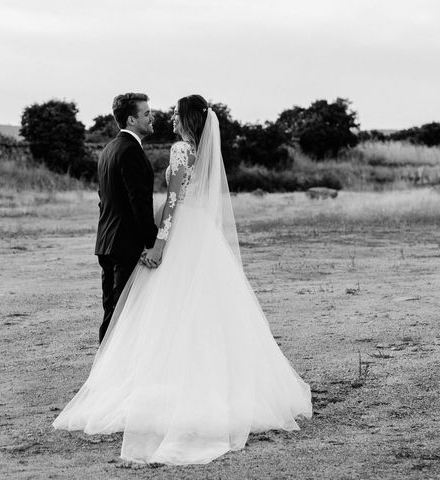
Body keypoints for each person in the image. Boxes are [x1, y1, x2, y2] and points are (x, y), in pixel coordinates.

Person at [54, 95, 312, 465]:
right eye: (161, 112)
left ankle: (163, 388)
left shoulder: (180, 150)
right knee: (203, 312)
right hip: (200, 233)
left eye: (175, 113)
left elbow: (173, 201)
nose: (168, 117)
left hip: (178, 234)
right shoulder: (194, 152)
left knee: (165, 312)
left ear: (188, 119)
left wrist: (158, 244)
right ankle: (215, 386)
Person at [94, 93, 159, 343]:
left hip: (107, 243)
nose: (152, 117)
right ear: (131, 119)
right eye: (146, 113)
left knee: (112, 312)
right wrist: (152, 243)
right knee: (124, 315)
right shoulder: (131, 151)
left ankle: (104, 370)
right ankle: (109, 377)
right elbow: (138, 203)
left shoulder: (108, 149)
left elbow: (103, 200)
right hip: (126, 246)